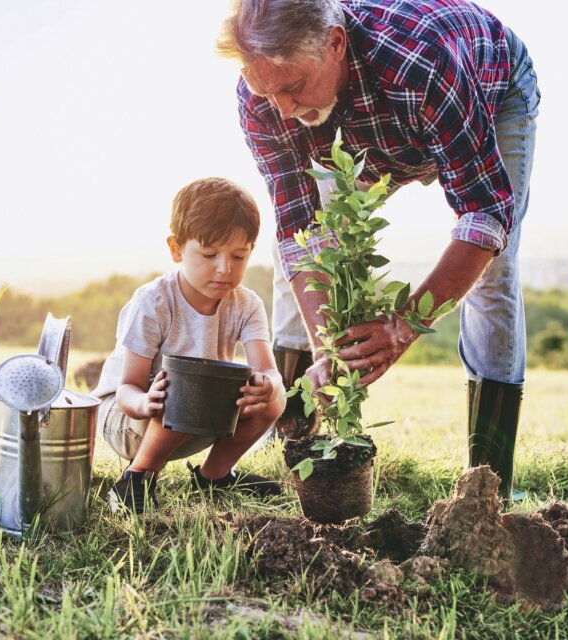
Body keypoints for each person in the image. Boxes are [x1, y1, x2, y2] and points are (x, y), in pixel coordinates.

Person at [217, 0, 540, 502]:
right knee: (306, 257)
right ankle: (297, 444)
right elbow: (299, 228)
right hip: (372, 130)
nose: (281, 109)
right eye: (267, 92)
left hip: (485, 94)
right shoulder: (264, 96)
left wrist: (401, 327)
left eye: (293, 87)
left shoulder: (423, 63)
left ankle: (488, 484)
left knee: (494, 273)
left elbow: (485, 215)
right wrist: (327, 345)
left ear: (335, 44)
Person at [93, 177, 287, 513]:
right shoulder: (154, 302)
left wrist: (267, 386)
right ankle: (135, 481)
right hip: (130, 420)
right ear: (176, 249)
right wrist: (146, 402)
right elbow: (126, 389)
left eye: (238, 256)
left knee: (275, 395)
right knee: (189, 387)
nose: (224, 269)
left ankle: (214, 477)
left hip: (198, 416)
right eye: (209, 254)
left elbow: (269, 369)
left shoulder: (247, 304)